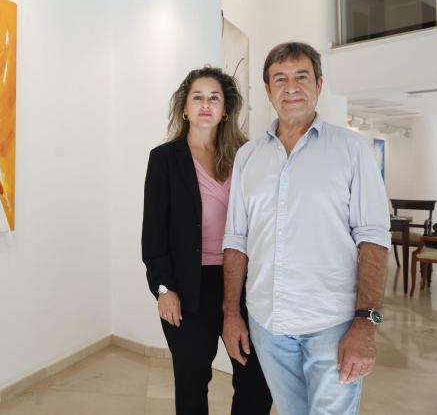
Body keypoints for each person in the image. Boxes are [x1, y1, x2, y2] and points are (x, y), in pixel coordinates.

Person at [222, 42, 391, 415]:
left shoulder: (352, 150)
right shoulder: (248, 156)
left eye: (301, 76)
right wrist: (231, 312)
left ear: (319, 84)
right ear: (267, 90)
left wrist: (366, 323)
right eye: (280, 78)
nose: (291, 87)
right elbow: (236, 240)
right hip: (267, 324)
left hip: (332, 323)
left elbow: (373, 239)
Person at [142, 67, 273, 415]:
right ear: (184, 108)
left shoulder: (247, 155)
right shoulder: (164, 159)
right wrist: (164, 288)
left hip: (243, 283)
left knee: (256, 381)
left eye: (214, 98)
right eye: (197, 97)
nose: (205, 105)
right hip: (189, 288)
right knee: (192, 383)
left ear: (225, 109)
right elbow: (153, 234)